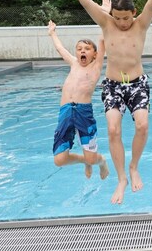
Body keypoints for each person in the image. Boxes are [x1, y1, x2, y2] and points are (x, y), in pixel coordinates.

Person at [51, 0, 152, 204]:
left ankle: (134, 166)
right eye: (117, 17)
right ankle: (121, 179)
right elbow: (85, 0)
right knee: (113, 131)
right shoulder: (107, 22)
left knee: (142, 125)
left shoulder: (141, 24)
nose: (122, 22)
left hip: (138, 83)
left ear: (134, 13)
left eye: (126, 17)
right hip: (113, 86)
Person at [48, 17, 109, 181]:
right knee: (59, 160)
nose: (82, 51)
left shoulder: (95, 66)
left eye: (87, 49)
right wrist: (52, 33)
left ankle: (101, 161)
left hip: (83, 113)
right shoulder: (74, 63)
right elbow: (60, 49)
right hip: (66, 112)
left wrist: (104, 14)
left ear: (95, 54)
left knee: (92, 158)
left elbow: (103, 40)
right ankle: (84, 161)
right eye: (79, 48)